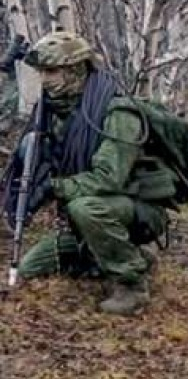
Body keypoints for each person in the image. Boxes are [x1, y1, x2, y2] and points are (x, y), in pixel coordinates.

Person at [1, 31, 176, 315]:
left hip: (136, 208)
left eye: (52, 71)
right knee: (30, 268)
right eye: (42, 72)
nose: (45, 80)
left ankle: (132, 283)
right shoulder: (55, 114)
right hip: (92, 213)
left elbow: (108, 178)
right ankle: (124, 256)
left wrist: (54, 187)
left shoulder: (116, 113)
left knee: (84, 207)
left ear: (75, 70)